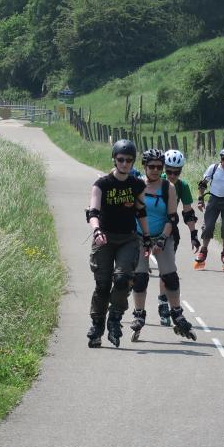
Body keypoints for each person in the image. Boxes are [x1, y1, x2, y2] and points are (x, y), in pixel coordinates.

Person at [86, 139, 153, 348]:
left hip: (128, 238)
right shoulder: (102, 184)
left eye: (129, 160)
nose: (124, 163)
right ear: (114, 159)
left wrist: (148, 238)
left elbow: (141, 212)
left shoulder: (137, 185)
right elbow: (93, 212)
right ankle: (97, 326)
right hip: (104, 237)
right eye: (121, 159)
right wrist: (96, 230)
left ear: (133, 162)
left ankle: (114, 319)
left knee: (123, 279)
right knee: (103, 285)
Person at [130, 149, 197, 342]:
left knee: (170, 276)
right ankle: (139, 314)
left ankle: (176, 313)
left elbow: (172, 217)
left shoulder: (170, 187)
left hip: (163, 235)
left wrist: (162, 239)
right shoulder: (136, 185)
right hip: (139, 237)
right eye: (151, 167)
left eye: (159, 167)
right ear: (144, 167)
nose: (155, 170)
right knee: (140, 277)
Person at [156, 149, 199, 326]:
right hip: (148, 228)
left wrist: (194, 234)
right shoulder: (155, 181)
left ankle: (163, 303)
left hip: (170, 230)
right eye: (169, 171)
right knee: (137, 273)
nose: (173, 175)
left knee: (166, 270)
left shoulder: (183, 186)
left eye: (177, 171)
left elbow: (188, 212)